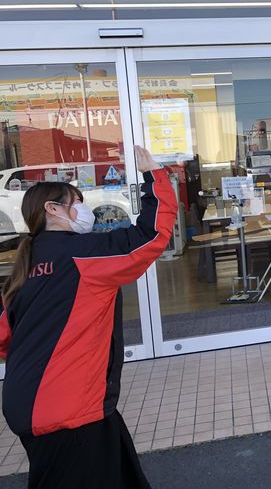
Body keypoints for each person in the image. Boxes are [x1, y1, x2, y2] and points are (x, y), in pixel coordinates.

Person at [0, 146, 177, 487]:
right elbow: (151, 236)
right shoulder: (80, 255)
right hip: (67, 412)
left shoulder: (24, 269)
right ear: (52, 209)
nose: (83, 209)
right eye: (75, 202)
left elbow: (5, 339)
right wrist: (154, 175)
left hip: (39, 404)